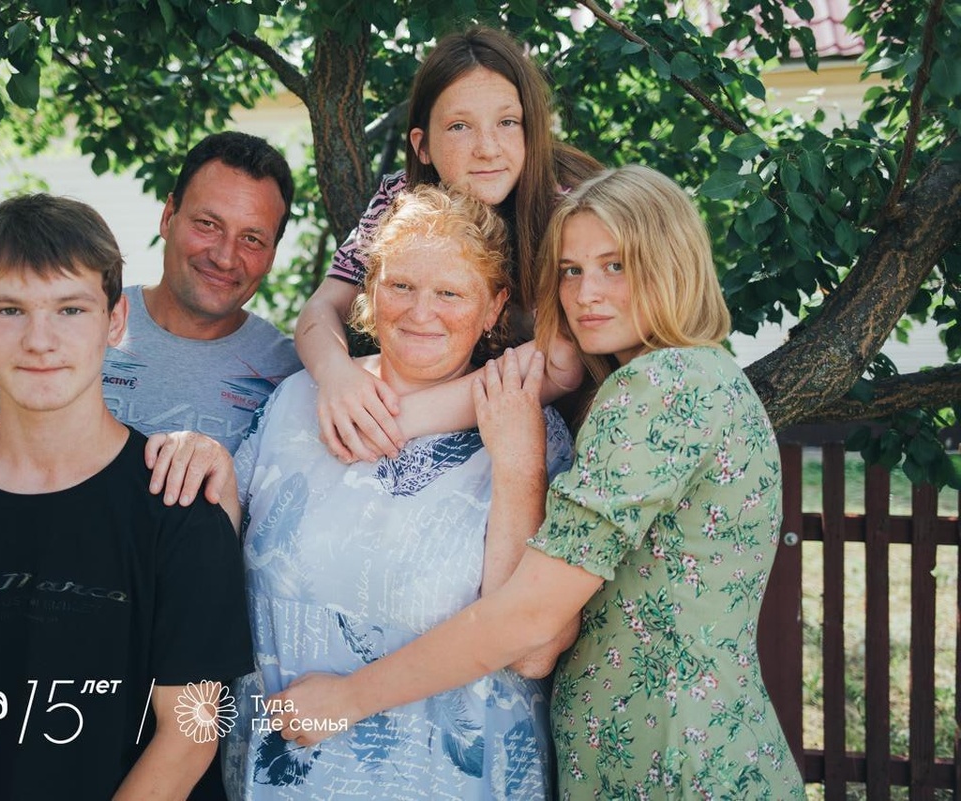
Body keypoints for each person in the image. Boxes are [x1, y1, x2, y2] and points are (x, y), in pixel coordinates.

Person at [273, 166, 807, 799]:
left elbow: (530, 616)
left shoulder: (661, 388)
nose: (585, 294)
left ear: (673, 265)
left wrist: (349, 698)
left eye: (615, 266)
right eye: (571, 271)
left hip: (672, 767)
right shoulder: (700, 377)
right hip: (674, 754)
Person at [0, 195, 254, 800]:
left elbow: (191, 731)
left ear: (115, 320)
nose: (39, 340)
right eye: (9, 309)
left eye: (70, 309)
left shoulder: (177, 507)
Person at [221, 185, 575, 800]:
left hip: (445, 782)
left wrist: (518, 463)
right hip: (286, 775)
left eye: (450, 293)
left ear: (494, 307)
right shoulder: (296, 400)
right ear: (370, 290)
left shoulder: (526, 426)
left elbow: (533, 650)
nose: (420, 312)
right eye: (401, 285)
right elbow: (215, 551)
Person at [0, 131, 302, 504]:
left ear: (272, 255)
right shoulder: (78, 319)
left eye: (252, 239)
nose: (225, 257)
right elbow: (3, 445)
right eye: (207, 224)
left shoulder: (288, 377)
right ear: (168, 216)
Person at [295, 26, 601, 464]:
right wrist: (336, 377)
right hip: (467, 407)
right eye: (460, 126)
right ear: (422, 146)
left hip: (572, 423)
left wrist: (396, 423)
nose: (488, 148)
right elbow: (323, 306)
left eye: (507, 122)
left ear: (531, 131)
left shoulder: (568, 207)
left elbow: (562, 359)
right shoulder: (399, 196)